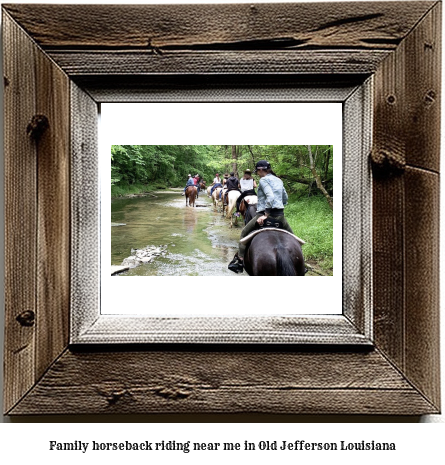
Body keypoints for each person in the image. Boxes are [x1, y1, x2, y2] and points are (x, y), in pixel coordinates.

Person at [229, 160, 294, 273]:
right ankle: (301, 265)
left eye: (257, 172)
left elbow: (270, 196)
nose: (257, 174)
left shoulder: (264, 180)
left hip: (264, 214)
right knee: (293, 238)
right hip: (280, 216)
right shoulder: (278, 180)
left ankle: (239, 261)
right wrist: (278, 207)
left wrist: (266, 215)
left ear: (261, 170)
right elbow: (285, 198)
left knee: (244, 233)